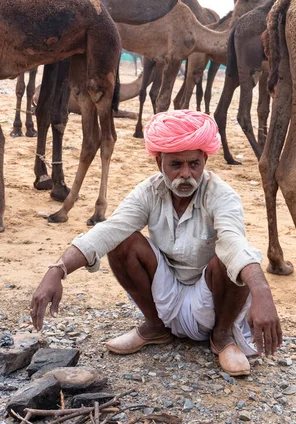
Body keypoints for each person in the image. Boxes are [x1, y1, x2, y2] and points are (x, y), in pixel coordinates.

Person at [31, 110, 282, 376]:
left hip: (212, 298)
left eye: (194, 164)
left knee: (230, 257)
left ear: (205, 160)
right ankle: (155, 327)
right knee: (122, 240)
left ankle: (222, 338)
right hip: (166, 294)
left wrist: (262, 292)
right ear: (159, 162)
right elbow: (108, 231)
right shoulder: (149, 191)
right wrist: (57, 270)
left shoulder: (222, 195)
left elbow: (234, 242)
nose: (186, 174)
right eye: (176, 165)